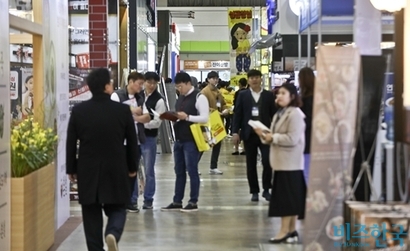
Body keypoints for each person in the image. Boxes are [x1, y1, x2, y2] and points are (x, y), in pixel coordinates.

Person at [66, 68, 138, 251]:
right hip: (116, 167)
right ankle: (112, 232)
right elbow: (131, 141)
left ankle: (95, 248)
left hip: (88, 168)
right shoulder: (122, 111)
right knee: (118, 207)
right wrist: (132, 167)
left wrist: (71, 168)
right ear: (107, 86)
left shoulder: (79, 110)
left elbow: (71, 140)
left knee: (91, 213)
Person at [254, 83, 306, 244]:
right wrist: (264, 135)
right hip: (281, 163)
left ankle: (283, 231)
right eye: (277, 94)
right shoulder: (280, 113)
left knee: (286, 200)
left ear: (292, 96)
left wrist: (272, 138)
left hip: (291, 164)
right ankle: (291, 230)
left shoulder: (295, 114)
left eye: (283, 93)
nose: (279, 97)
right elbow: (275, 135)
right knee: (289, 199)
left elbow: (293, 138)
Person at [161, 72, 209, 212]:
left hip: (192, 140)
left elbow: (204, 118)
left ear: (188, 83)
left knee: (192, 170)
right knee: (179, 171)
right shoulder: (180, 97)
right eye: (177, 87)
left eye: (181, 86)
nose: (179, 89)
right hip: (179, 139)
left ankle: (193, 201)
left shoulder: (200, 97)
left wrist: (187, 117)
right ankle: (177, 201)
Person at [232, 69, 277, 202]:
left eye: (256, 77)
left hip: (265, 134)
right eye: (251, 78)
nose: (254, 80)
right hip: (249, 134)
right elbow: (238, 114)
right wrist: (235, 132)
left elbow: (274, 114)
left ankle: (267, 189)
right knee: (250, 164)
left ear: (260, 79)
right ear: (248, 80)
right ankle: (254, 191)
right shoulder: (243, 95)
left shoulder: (269, 95)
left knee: (267, 161)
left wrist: (276, 131)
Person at [111, 71, 151, 213]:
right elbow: (114, 114)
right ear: (131, 82)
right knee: (119, 172)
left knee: (133, 172)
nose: (141, 87)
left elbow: (147, 117)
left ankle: (129, 201)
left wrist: (132, 117)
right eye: (139, 84)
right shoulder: (117, 95)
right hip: (120, 142)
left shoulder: (140, 98)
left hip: (136, 141)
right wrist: (134, 111)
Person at [140, 71, 166, 209]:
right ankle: (132, 200)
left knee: (149, 170)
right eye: (148, 82)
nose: (151, 85)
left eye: (154, 83)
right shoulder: (138, 95)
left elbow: (157, 122)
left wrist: (140, 122)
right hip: (135, 138)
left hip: (149, 138)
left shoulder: (159, 100)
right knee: (132, 169)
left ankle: (148, 199)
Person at [198, 71, 227, 175]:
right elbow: (202, 106)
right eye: (213, 78)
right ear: (208, 79)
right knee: (204, 144)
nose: (215, 80)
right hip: (208, 122)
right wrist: (214, 111)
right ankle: (194, 166)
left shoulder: (218, 91)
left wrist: (225, 109)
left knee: (217, 144)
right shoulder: (204, 92)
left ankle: (213, 166)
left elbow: (223, 103)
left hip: (217, 121)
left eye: (216, 78)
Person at [298, 67, 315, 184]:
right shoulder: (320, 97)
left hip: (306, 139)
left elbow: (307, 120)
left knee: (306, 173)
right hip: (318, 139)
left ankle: (307, 200)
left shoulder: (305, 99)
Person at [232, 77, 248, 155]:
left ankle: (236, 149)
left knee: (237, 131)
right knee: (245, 131)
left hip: (238, 114)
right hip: (246, 115)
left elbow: (235, 103)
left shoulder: (238, 93)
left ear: (240, 84)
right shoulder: (248, 92)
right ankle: (245, 149)